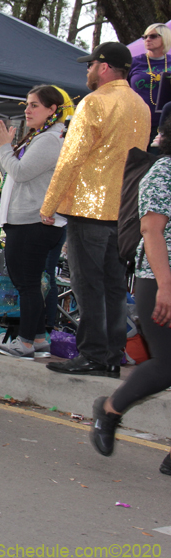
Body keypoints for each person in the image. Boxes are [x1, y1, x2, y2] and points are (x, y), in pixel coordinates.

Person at [42, 42, 151, 378]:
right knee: (115, 286)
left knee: (88, 284)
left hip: (89, 207)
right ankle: (112, 355)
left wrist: (49, 205)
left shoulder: (95, 102)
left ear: (104, 67)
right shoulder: (141, 106)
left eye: (90, 65)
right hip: (124, 208)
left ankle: (91, 354)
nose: (87, 70)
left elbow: (70, 158)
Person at [89, 118, 171, 477]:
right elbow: (151, 231)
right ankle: (109, 409)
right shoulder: (162, 172)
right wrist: (166, 286)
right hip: (160, 278)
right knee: (167, 364)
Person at [0, 85, 73, 359]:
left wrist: (3, 146)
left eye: (35, 105)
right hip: (29, 221)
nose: (27, 110)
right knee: (31, 282)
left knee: (27, 283)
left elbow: (20, 172)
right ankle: (37, 338)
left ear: (52, 110)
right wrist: (8, 150)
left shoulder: (49, 139)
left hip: (32, 222)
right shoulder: (40, 137)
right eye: (26, 104)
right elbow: (13, 171)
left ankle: (24, 342)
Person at [128, 23, 171, 140]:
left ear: (165, 37)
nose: (147, 39)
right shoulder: (134, 62)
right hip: (137, 122)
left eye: (153, 36)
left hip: (166, 124)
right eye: (145, 37)